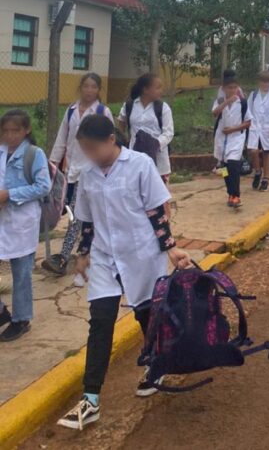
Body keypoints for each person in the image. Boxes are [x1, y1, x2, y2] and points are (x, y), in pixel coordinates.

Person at [56, 115, 190, 430]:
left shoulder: (140, 165)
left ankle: (156, 367)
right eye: (84, 149)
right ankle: (91, 400)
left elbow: (157, 211)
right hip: (105, 256)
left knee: (147, 314)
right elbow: (86, 220)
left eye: (93, 147)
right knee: (100, 322)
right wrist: (83, 254)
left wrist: (171, 248)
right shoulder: (88, 175)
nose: (89, 154)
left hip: (142, 253)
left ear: (112, 140)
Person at [43, 73, 115, 277]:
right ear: (81, 87)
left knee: (77, 215)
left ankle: (64, 258)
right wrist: (53, 164)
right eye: (86, 86)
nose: (89, 90)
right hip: (72, 171)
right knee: (80, 215)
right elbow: (62, 138)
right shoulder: (71, 111)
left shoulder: (103, 111)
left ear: (98, 90)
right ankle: (90, 251)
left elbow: (111, 140)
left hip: (93, 171)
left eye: (94, 87)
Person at [0, 109, 51, 342]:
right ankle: (1, 311)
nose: (10, 135)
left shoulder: (34, 154)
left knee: (21, 273)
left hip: (22, 221)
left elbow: (43, 186)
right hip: (2, 218)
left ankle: (22, 319)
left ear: (26, 130)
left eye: (15, 130)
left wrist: (9, 194)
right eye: (6, 131)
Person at [118, 74, 174, 183]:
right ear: (145, 90)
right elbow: (122, 120)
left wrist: (155, 144)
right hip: (134, 156)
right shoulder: (129, 105)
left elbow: (168, 132)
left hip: (158, 160)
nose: (161, 91)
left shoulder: (163, 108)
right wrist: (125, 139)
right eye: (157, 88)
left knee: (158, 197)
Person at [212, 75, 249, 209]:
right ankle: (230, 193)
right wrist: (227, 102)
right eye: (229, 88)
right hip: (222, 140)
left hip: (236, 138)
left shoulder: (242, 103)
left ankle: (236, 195)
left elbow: (248, 122)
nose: (232, 90)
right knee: (224, 169)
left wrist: (233, 129)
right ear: (224, 88)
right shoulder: (220, 100)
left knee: (233, 165)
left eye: (235, 87)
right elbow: (215, 113)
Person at [246, 71, 269, 192]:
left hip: (267, 128)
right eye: (263, 81)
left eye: (268, 82)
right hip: (254, 128)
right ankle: (257, 171)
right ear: (259, 82)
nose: (265, 84)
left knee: (267, 153)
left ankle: (265, 179)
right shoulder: (253, 95)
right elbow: (248, 112)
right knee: (253, 151)